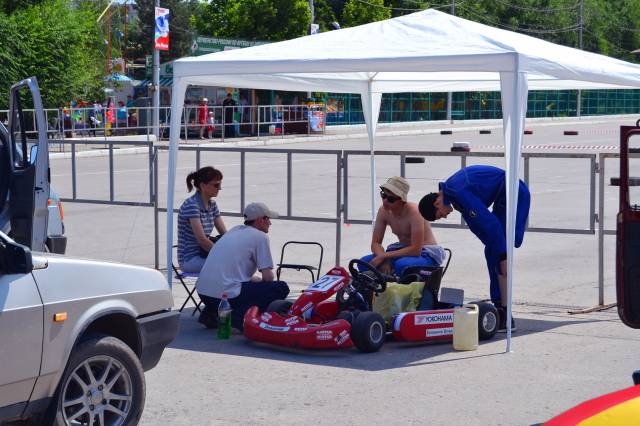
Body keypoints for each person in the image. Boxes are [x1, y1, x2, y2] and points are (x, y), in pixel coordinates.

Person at [418, 165, 531, 332]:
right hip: (504, 195)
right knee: (493, 250)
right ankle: (500, 306)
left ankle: (505, 314)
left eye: (440, 214)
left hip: (515, 193)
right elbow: (478, 226)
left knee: (502, 249)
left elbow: (491, 225)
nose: (445, 215)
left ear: (437, 202)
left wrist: (502, 257)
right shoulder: (453, 194)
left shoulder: (457, 192)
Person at [196, 202, 290, 330]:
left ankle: (210, 313)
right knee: (281, 288)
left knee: (240, 285)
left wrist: (254, 280)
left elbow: (232, 270)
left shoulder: (233, 231)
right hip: (226, 297)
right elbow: (268, 278)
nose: (270, 223)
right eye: (268, 219)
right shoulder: (260, 237)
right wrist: (260, 282)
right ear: (260, 220)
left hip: (203, 293)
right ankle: (239, 319)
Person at [361, 176, 445, 277]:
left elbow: (416, 250)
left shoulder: (415, 212)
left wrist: (384, 256)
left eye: (391, 199)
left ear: (402, 200)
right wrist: (384, 259)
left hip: (426, 253)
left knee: (401, 265)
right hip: (403, 251)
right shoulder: (383, 211)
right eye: (383, 195)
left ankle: (393, 282)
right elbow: (375, 243)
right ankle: (383, 284)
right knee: (364, 263)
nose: (385, 201)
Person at [177, 166, 227, 273]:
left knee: (236, 263)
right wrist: (224, 255)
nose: (219, 188)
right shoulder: (192, 205)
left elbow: (226, 235)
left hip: (204, 254)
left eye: (220, 184)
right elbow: (202, 240)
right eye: (216, 185)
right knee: (229, 267)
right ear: (203, 186)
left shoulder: (212, 204)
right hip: (189, 259)